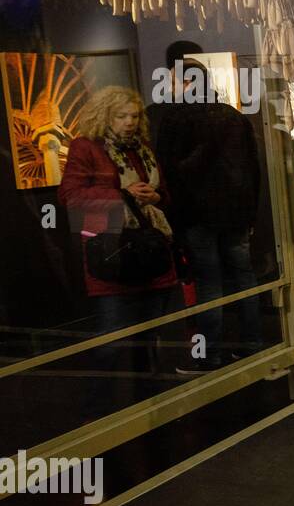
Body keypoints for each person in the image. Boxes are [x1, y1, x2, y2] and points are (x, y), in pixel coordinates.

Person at [58, 85, 178, 413]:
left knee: (150, 337)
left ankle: (149, 407)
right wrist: (121, 195)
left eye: (134, 116)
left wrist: (156, 198)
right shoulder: (86, 147)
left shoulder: (141, 148)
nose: (129, 122)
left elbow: (163, 194)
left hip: (150, 252)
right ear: (105, 116)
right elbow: (70, 198)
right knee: (110, 340)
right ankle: (97, 413)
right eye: (121, 115)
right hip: (112, 253)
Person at [152, 43, 263, 373]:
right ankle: (252, 346)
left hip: (197, 215)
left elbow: (170, 171)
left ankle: (209, 355)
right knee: (244, 277)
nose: (168, 84)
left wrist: (173, 216)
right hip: (236, 213)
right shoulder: (233, 117)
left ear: (186, 84)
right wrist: (250, 211)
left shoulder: (175, 119)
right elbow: (252, 169)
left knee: (209, 283)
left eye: (173, 80)